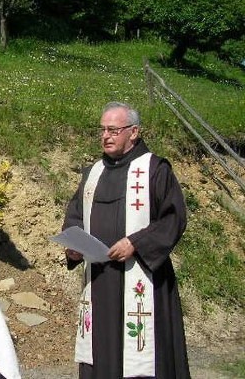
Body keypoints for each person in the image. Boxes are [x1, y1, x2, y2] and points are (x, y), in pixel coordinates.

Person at [63, 102, 190, 378]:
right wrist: (74, 247)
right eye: (102, 130)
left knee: (142, 352)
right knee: (100, 350)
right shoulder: (93, 173)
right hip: (100, 281)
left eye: (113, 130)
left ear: (133, 132)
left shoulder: (154, 169)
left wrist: (136, 243)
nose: (105, 136)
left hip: (143, 277)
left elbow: (173, 218)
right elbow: (75, 215)